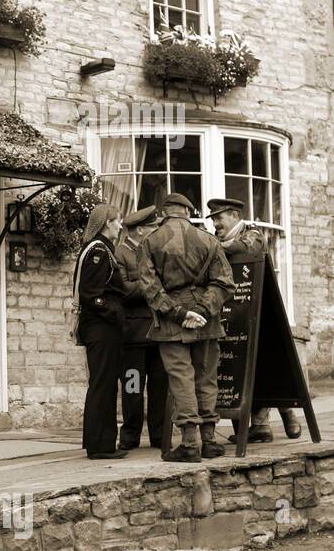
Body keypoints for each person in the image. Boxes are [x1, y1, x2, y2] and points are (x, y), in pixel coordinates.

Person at [137, 193, 234, 462]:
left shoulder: (150, 241)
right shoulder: (208, 239)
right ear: (188, 212)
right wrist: (202, 310)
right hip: (207, 319)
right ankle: (210, 441)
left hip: (172, 322)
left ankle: (190, 443)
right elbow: (224, 282)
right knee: (206, 377)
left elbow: (149, 287)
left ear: (164, 213)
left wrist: (179, 314)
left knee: (181, 378)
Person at [206, 197, 303, 444]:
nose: (216, 223)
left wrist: (212, 248)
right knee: (236, 365)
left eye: (219, 217)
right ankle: (250, 427)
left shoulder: (253, 234)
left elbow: (244, 249)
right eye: (213, 219)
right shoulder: (217, 240)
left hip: (262, 309)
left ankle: (282, 417)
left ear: (234, 216)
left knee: (269, 363)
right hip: (233, 312)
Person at [75, 204, 128, 460]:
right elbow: (90, 295)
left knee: (105, 384)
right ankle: (99, 445)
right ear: (108, 222)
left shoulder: (103, 249)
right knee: (102, 385)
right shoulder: (98, 251)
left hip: (104, 327)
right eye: (118, 221)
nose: (120, 225)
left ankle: (104, 443)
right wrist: (113, 312)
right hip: (101, 327)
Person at [115, 205, 168, 450]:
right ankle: (130, 435)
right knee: (133, 387)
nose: (154, 232)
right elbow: (123, 291)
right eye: (150, 228)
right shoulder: (121, 253)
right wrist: (152, 286)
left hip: (157, 333)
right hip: (133, 335)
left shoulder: (154, 252)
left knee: (159, 387)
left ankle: (158, 435)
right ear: (138, 231)